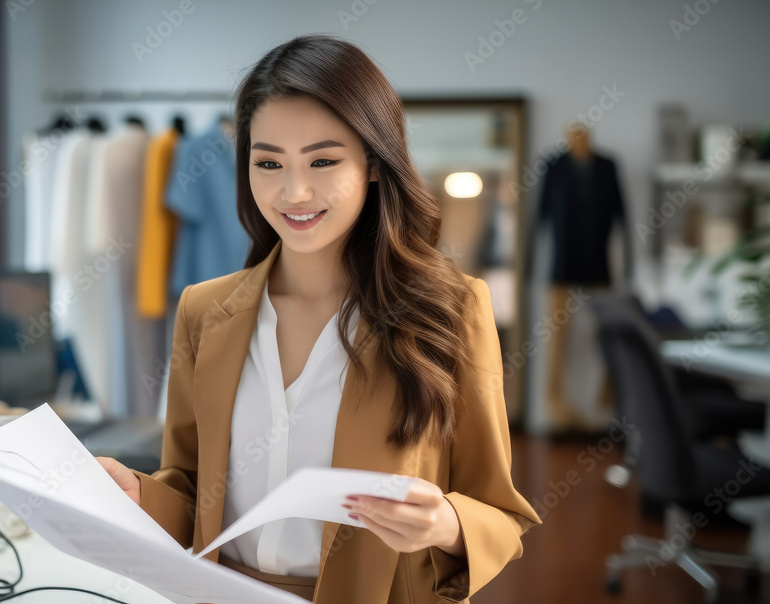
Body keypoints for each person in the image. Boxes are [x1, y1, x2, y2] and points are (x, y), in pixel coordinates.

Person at [97, 34, 541, 604]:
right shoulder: (203, 311)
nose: (294, 191)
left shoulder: (452, 310)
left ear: (375, 165)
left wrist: (446, 524)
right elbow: (188, 494)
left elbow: (501, 515)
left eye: (324, 161)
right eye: (268, 163)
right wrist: (135, 491)